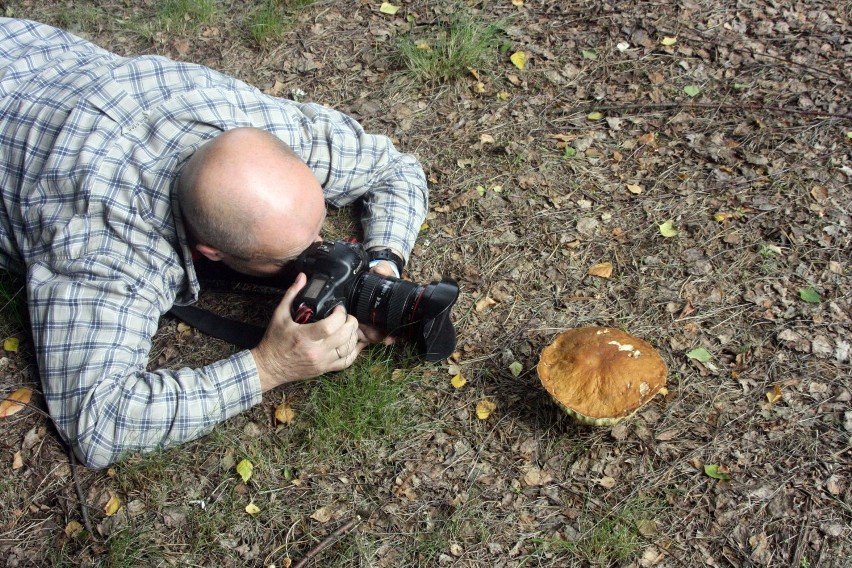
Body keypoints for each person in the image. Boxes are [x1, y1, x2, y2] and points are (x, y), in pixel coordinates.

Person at [0, 18, 428, 468]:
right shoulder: (103, 244)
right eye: (294, 257)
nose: (324, 253)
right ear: (211, 254)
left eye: (320, 225)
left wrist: (384, 261)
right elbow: (98, 423)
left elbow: (394, 167)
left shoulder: (250, 122)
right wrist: (268, 367)